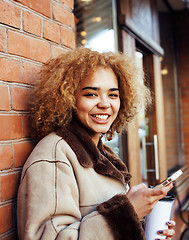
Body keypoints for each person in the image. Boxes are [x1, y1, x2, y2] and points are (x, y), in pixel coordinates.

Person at [17, 48, 175, 240]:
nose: (104, 104)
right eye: (91, 94)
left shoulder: (103, 153)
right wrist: (127, 212)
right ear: (68, 99)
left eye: (113, 95)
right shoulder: (55, 154)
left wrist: (142, 224)